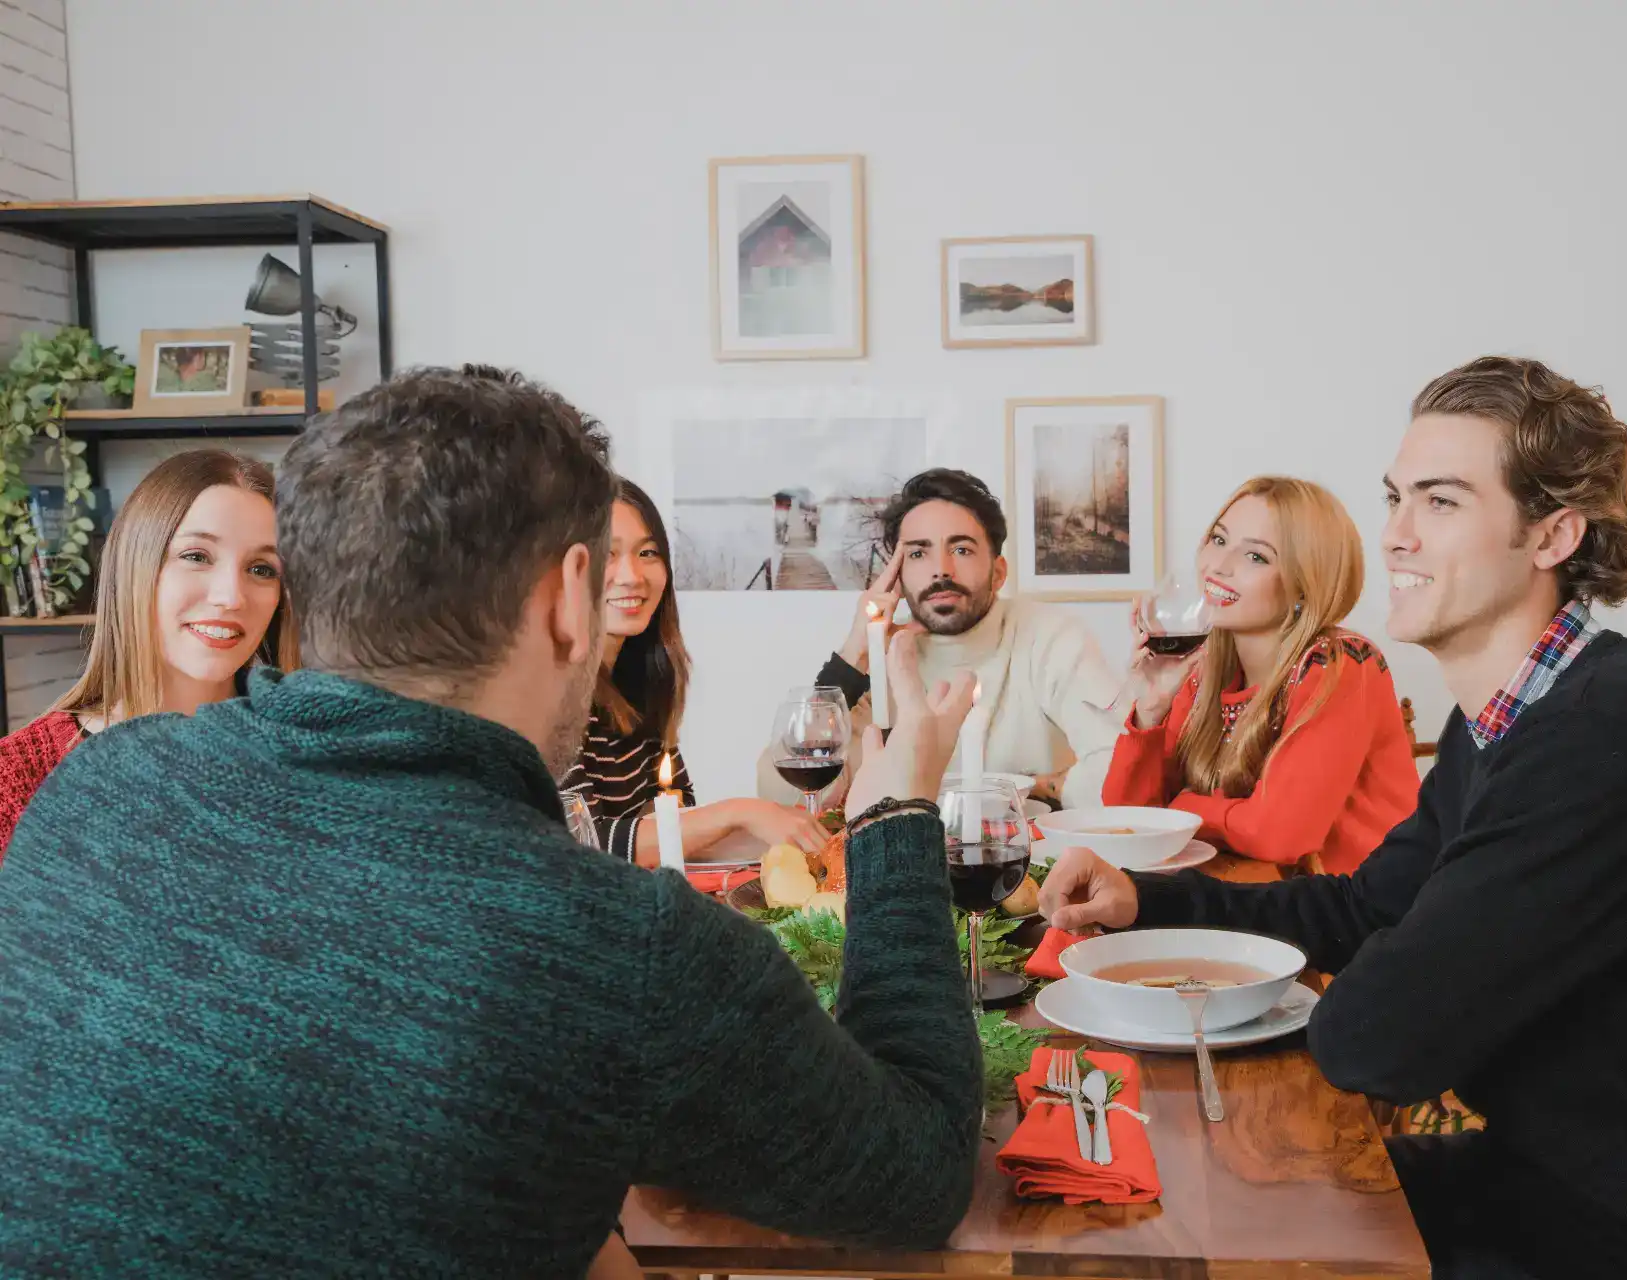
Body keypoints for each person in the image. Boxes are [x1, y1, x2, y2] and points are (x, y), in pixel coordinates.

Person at [0, 367, 984, 1278]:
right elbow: (922, 1171)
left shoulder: (96, 789)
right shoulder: (622, 947)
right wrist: (897, 808)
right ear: (570, 596)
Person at [1039, 356, 1627, 1280]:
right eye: (1396, 497)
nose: (1396, 536)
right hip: (1549, 1174)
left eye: (1442, 502)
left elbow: (1373, 1040)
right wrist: (1151, 901)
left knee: (1203, 1225)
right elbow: (1366, 906)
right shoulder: (1512, 717)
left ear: (1552, 535)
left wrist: (1416, 959)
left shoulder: (1612, 735)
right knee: (1173, 1199)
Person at [757, 467, 1124, 810]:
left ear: (998, 573)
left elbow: (1121, 772)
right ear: (897, 575)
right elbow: (784, 797)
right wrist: (854, 655)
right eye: (918, 553)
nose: (941, 569)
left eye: (961, 550)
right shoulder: (880, 657)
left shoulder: (1051, 637)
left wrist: (1053, 790)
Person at [1102, 476, 1416, 872]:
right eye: (1218, 540)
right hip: (1251, 893)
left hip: (1359, 916)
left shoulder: (1343, 663)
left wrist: (1183, 807)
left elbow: (1280, 834)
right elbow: (1129, 825)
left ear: (1305, 584)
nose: (1218, 566)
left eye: (1256, 557)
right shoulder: (1204, 671)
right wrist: (1151, 708)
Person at [0, 448, 297, 856]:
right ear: (134, 566)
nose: (231, 596)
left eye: (262, 569)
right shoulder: (17, 781)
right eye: (196, 556)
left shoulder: (308, 759)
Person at [557, 473, 830, 865]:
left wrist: (787, 838)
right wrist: (742, 812)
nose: (632, 575)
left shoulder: (644, 679)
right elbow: (586, 842)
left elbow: (676, 816)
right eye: (608, 554)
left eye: (647, 553)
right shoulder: (553, 695)